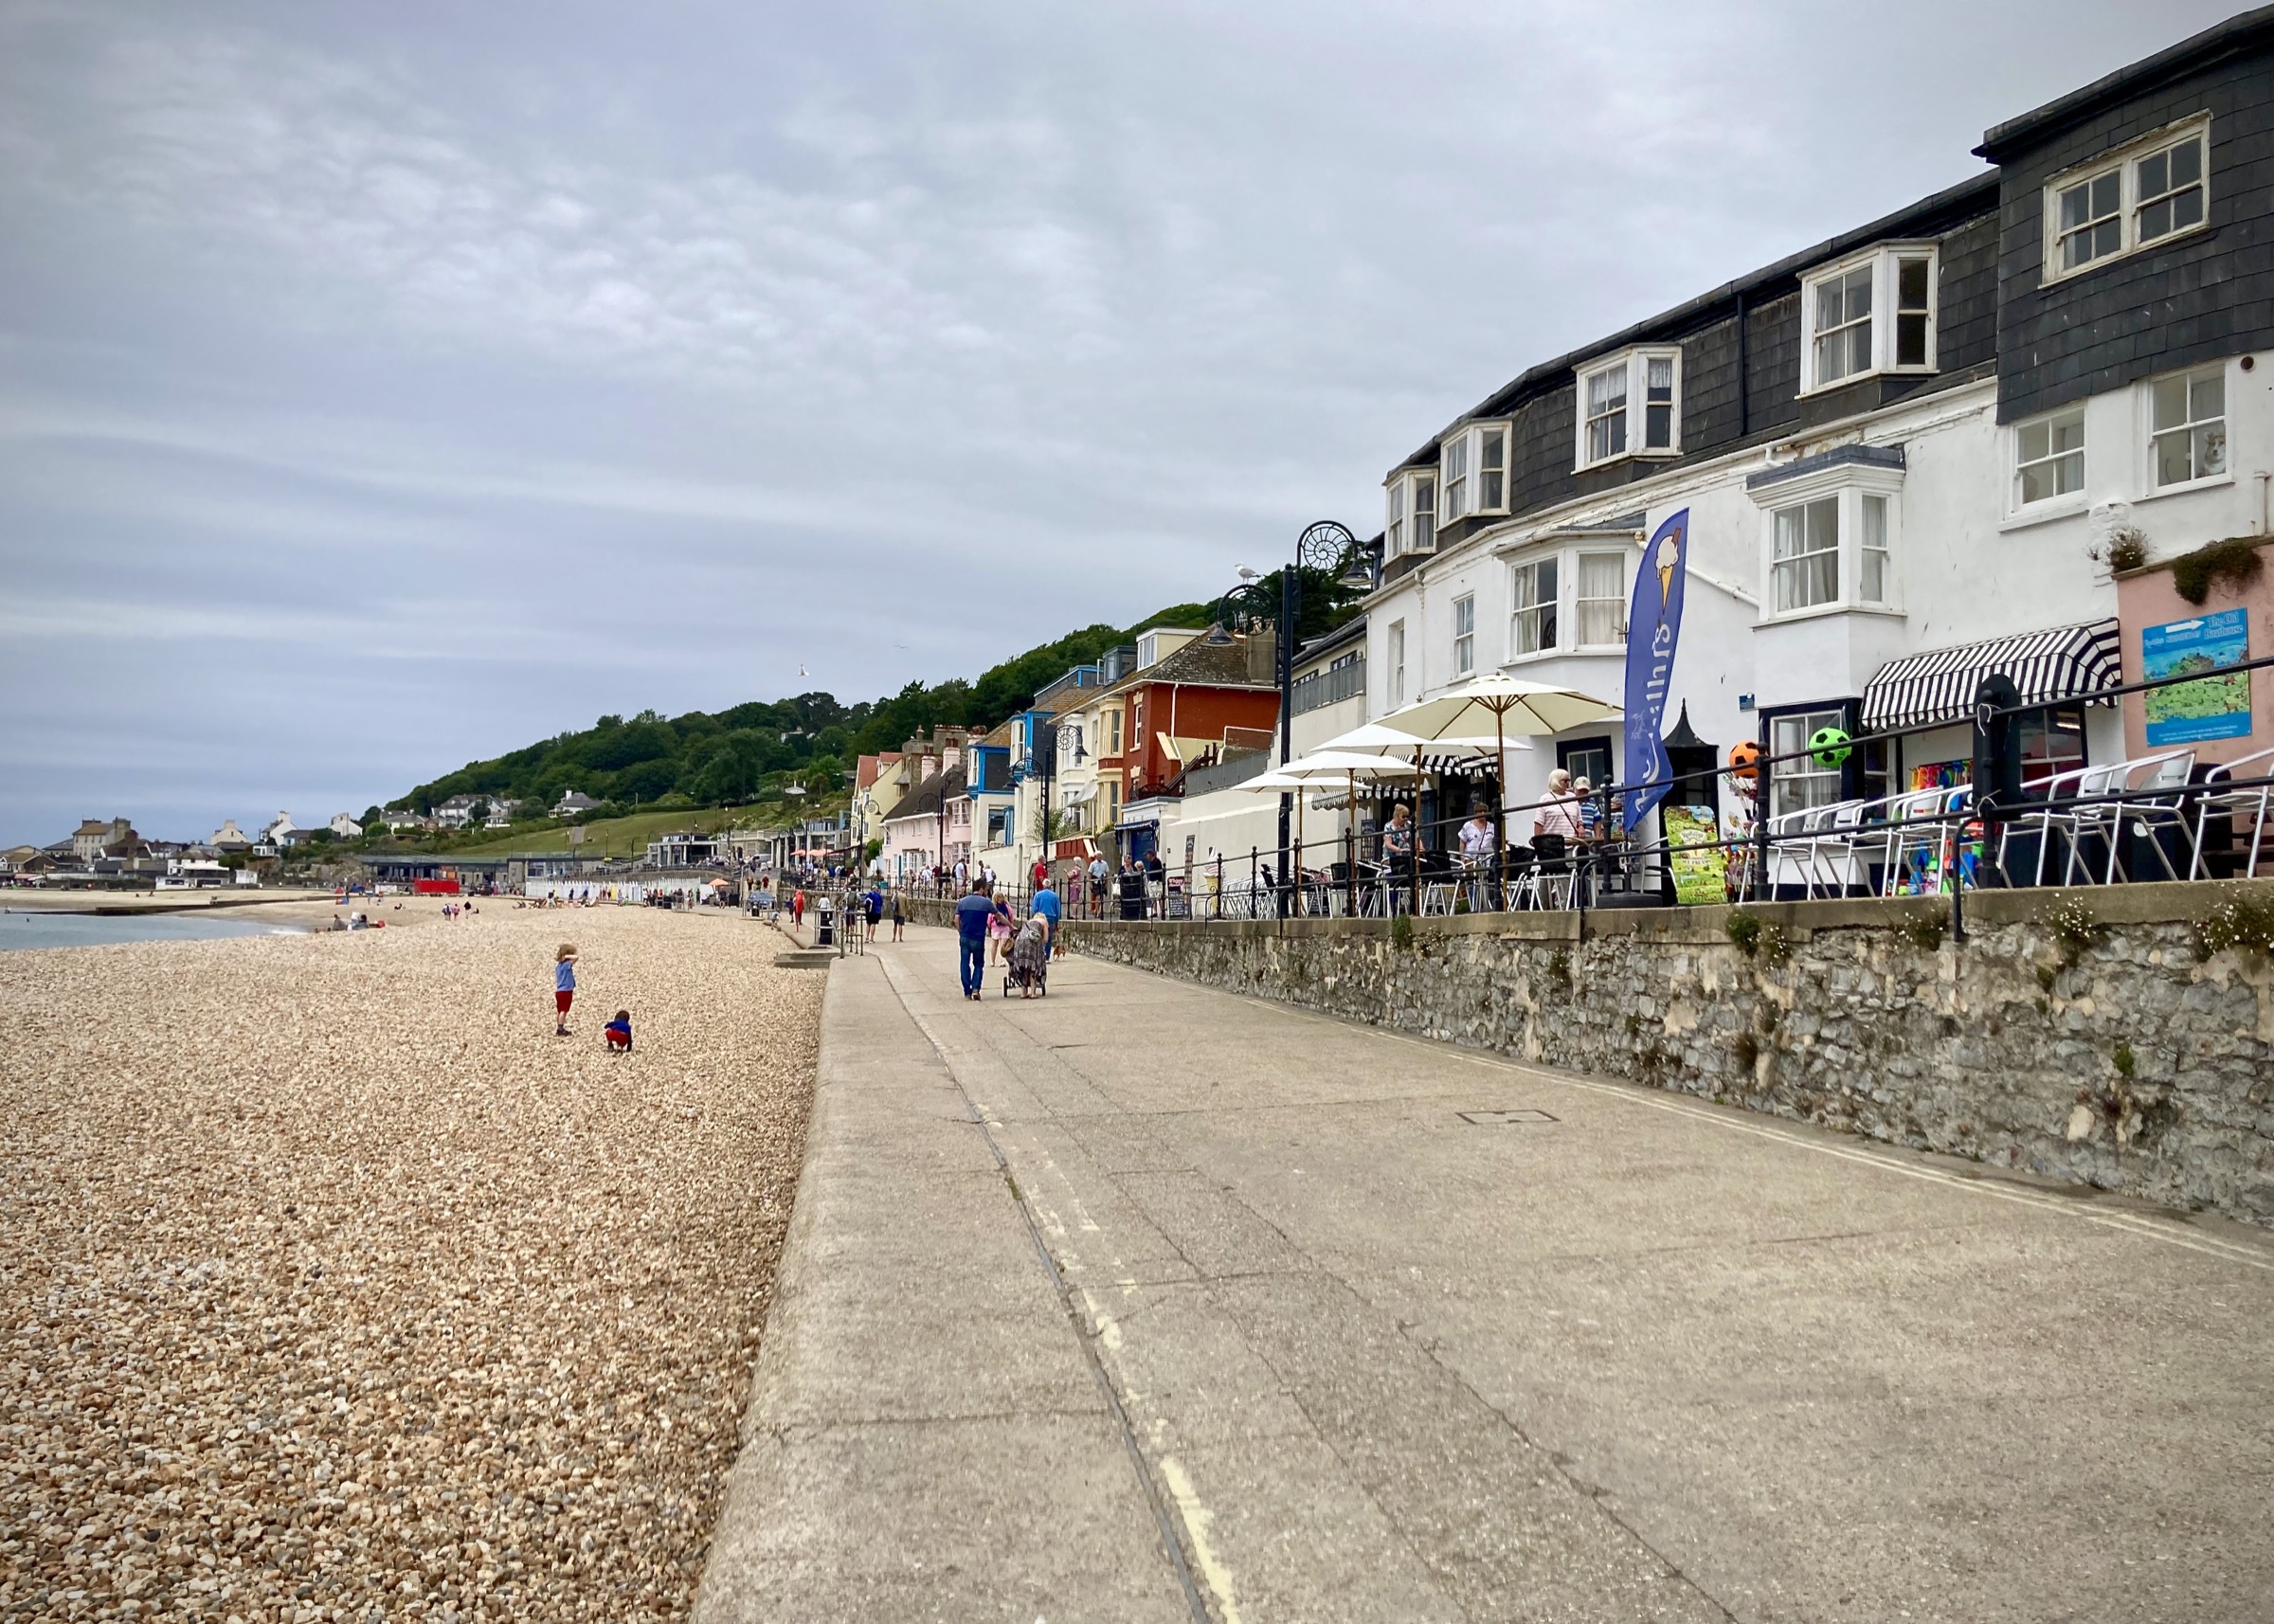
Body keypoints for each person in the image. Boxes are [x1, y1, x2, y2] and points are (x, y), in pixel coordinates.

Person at [953, 879, 998, 1001]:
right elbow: (999, 916)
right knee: (978, 964)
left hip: (965, 937)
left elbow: (956, 920)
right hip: (978, 938)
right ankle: (976, 989)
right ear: (982, 889)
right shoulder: (986, 903)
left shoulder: (962, 902)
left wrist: (960, 932)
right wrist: (1010, 925)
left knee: (964, 963)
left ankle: (967, 991)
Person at [1533, 769, 1584, 843]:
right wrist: (1538, 844)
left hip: (1572, 842)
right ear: (1556, 781)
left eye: (1569, 780)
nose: (1568, 783)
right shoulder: (1544, 799)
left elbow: (1579, 818)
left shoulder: (1572, 797)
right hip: (1552, 845)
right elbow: (1539, 823)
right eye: (1565, 781)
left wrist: (1581, 827)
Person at [1031, 874, 1064, 957]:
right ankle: (1047, 957)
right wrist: (1056, 921)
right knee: (1048, 938)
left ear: (1043, 885)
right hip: (1051, 918)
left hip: (1039, 918)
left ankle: (1038, 955)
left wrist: (1034, 918)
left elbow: (1034, 908)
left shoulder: (1038, 895)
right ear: (1050, 886)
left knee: (1037, 937)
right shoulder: (1055, 896)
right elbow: (1058, 910)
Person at [553, 944, 577, 1036]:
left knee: (560, 1010)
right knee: (564, 1010)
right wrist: (566, 956)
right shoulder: (567, 964)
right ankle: (560, 1028)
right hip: (566, 991)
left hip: (559, 991)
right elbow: (576, 957)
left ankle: (559, 1026)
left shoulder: (558, 966)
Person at [987, 890, 1015, 963]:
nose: (1000, 899)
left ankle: (998, 961)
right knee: (998, 945)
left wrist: (989, 925)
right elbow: (1011, 916)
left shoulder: (994, 907)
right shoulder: (1007, 906)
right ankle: (996, 961)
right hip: (1001, 927)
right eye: (998, 898)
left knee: (1000, 945)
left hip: (999, 927)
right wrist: (1010, 923)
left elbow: (990, 917)